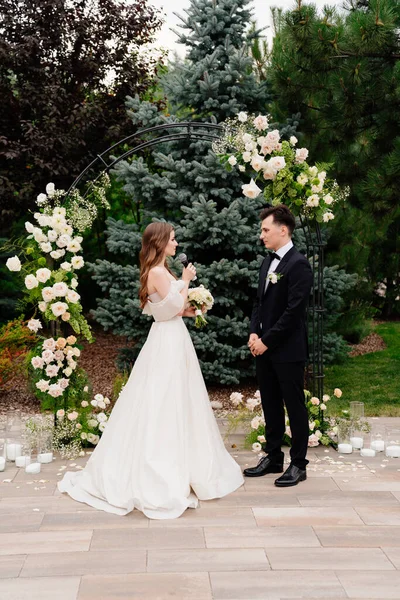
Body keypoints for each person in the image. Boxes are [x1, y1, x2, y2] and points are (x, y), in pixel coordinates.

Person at [58, 222, 243, 519]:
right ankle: (159, 466)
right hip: (167, 340)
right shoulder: (158, 272)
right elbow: (169, 310)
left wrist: (194, 308)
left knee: (179, 396)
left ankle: (186, 461)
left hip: (173, 336)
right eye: (172, 239)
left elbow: (172, 308)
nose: (177, 243)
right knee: (164, 398)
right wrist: (185, 281)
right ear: (159, 242)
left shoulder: (160, 270)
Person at [245, 205, 313, 487]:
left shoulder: (299, 265)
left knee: (294, 406)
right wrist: (252, 332)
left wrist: (266, 341)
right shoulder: (267, 262)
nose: (262, 235)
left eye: (266, 230)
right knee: (270, 404)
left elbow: (293, 312)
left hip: (287, 349)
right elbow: (258, 303)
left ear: (283, 230)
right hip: (262, 347)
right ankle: (273, 457)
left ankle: (298, 464)